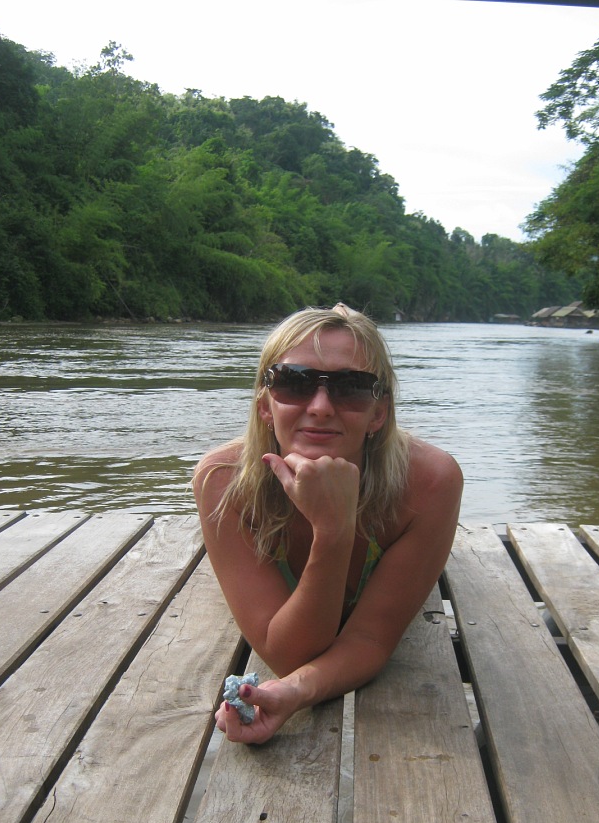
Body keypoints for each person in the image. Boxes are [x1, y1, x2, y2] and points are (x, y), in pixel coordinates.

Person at [193, 303, 463, 744]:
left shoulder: (428, 483)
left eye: (351, 388)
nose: (320, 407)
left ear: (379, 413)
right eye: (294, 383)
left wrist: (293, 691)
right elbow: (289, 654)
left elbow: (370, 639)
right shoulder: (223, 482)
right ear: (265, 405)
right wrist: (333, 531)